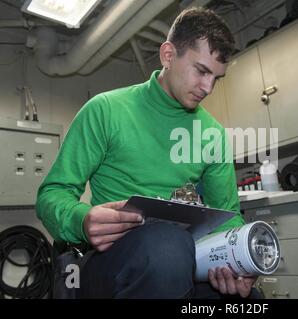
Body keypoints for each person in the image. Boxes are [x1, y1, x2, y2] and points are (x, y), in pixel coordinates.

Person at [36, 7, 258, 299]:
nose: (208, 87)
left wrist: (238, 259)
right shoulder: (105, 111)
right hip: (110, 260)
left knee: (249, 300)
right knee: (166, 249)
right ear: (168, 55)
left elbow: (228, 217)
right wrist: (82, 220)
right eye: (201, 71)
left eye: (217, 78)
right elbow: (52, 194)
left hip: (181, 259)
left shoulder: (212, 134)